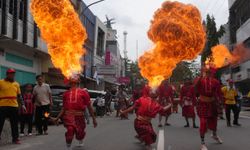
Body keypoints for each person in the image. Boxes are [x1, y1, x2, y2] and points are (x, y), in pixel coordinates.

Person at [54, 74, 97, 150]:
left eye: (75, 82)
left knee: (80, 132)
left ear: (78, 83)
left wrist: (94, 119)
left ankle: (80, 139)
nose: (73, 84)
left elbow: (89, 107)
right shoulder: (66, 94)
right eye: (72, 82)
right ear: (70, 83)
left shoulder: (84, 93)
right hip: (68, 117)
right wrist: (57, 118)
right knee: (70, 130)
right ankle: (68, 146)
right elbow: (63, 108)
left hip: (79, 117)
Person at [194, 66, 223, 150]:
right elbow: (195, 88)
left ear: (212, 72)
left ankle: (214, 135)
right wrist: (200, 77)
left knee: (214, 122)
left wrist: (220, 102)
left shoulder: (216, 82)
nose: (208, 73)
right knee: (203, 122)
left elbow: (219, 93)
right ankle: (202, 143)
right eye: (206, 71)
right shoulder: (200, 80)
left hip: (212, 104)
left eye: (210, 72)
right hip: (202, 104)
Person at [0, 68, 26, 144]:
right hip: (2, 106)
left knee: (14, 124)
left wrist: (23, 105)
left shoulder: (16, 84)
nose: (12, 75)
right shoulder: (1, 82)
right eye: (10, 74)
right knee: (0, 123)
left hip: (14, 106)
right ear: (7, 74)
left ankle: (15, 139)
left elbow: (19, 96)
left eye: (13, 74)